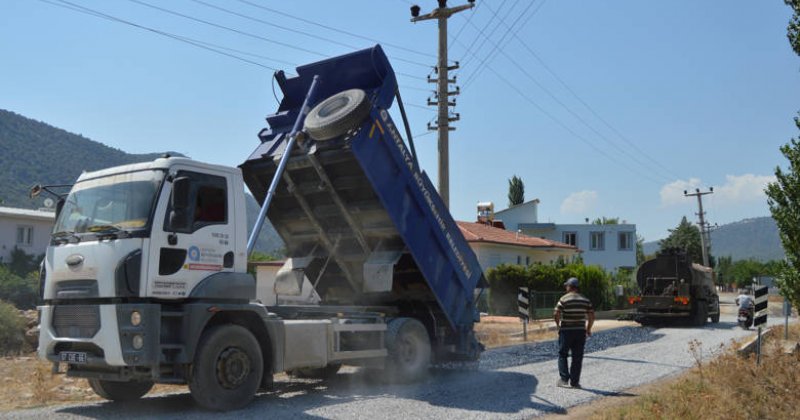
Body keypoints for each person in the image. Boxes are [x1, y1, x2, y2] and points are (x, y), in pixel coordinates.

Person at [554, 277, 595, 389]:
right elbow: (591, 316)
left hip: (566, 331)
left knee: (563, 354)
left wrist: (558, 325)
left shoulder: (563, 299)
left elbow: (556, 313)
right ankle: (575, 382)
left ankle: (564, 379)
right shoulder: (585, 300)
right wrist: (588, 329)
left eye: (566, 285)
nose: (565, 287)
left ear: (570, 287)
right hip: (580, 331)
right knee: (577, 357)